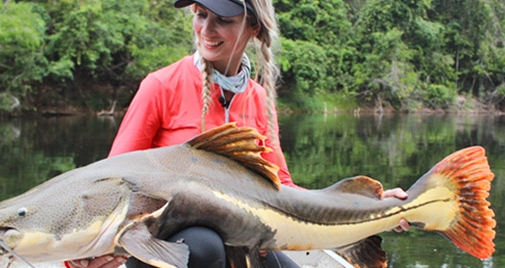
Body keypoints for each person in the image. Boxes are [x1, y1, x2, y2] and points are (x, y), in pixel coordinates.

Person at [67, 0, 410, 267]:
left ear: (255, 29)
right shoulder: (160, 86)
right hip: (165, 253)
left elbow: (283, 190)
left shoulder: (259, 99)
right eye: (200, 14)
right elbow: (108, 186)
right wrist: (78, 259)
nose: (206, 29)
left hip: (243, 244)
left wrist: (369, 208)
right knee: (205, 246)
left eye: (223, 20)